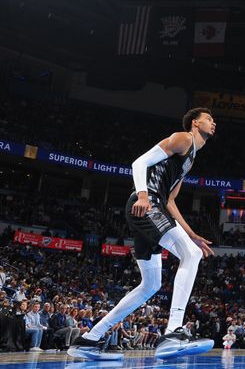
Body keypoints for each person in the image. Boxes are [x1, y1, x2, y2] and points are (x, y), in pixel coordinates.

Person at [68, 108, 217, 361]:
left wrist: (191, 234)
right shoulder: (183, 138)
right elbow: (139, 163)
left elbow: (171, 201)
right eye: (209, 119)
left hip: (156, 207)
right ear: (195, 122)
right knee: (190, 256)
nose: (214, 123)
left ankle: (89, 339)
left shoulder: (189, 160)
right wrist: (144, 195)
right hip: (146, 205)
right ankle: (173, 333)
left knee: (151, 285)